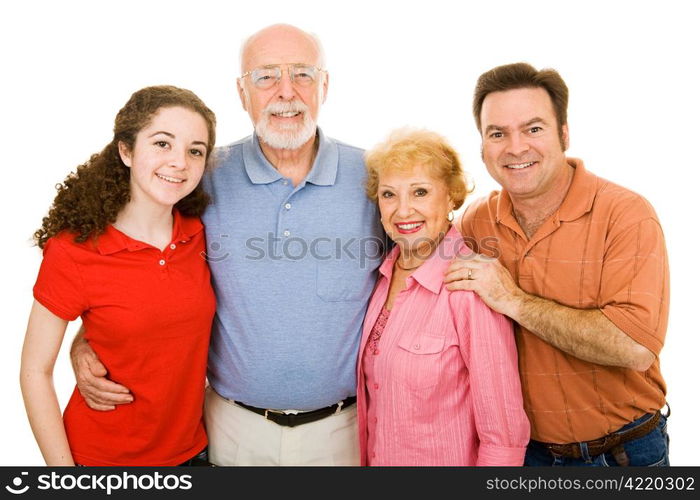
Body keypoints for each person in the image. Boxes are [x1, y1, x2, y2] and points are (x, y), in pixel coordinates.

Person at [70, 24, 384, 466]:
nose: (286, 92)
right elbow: (140, 266)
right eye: (266, 77)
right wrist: (85, 339)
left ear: (325, 85)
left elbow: (419, 274)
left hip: (344, 431)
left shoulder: (376, 177)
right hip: (230, 431)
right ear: (242, 92)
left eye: (303, 74)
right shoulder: (200, 177)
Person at [445, 62, 670, 466]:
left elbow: (635, 347)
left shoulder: (626, 214)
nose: (515, 148)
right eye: (498, 134)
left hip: (622, 454)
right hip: (525, 456)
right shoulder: (474, 223)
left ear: (564, 134)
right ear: (482, 145)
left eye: (533, 129)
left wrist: (513, 300)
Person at [20, 86, 217, 466]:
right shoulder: (74, 251)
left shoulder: (201, 235)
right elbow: (34, 371)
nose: (180, 162)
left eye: (195, 150)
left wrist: (86, 338)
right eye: (162, 144)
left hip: (195, 452)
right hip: (101, 463)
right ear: (126, 151)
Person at [358, 129, 530, 466]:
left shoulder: (469, 285)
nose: (403, 210)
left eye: (420, 192)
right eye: (389, 194)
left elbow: (503, 435)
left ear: (451, 196)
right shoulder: (381, 276)